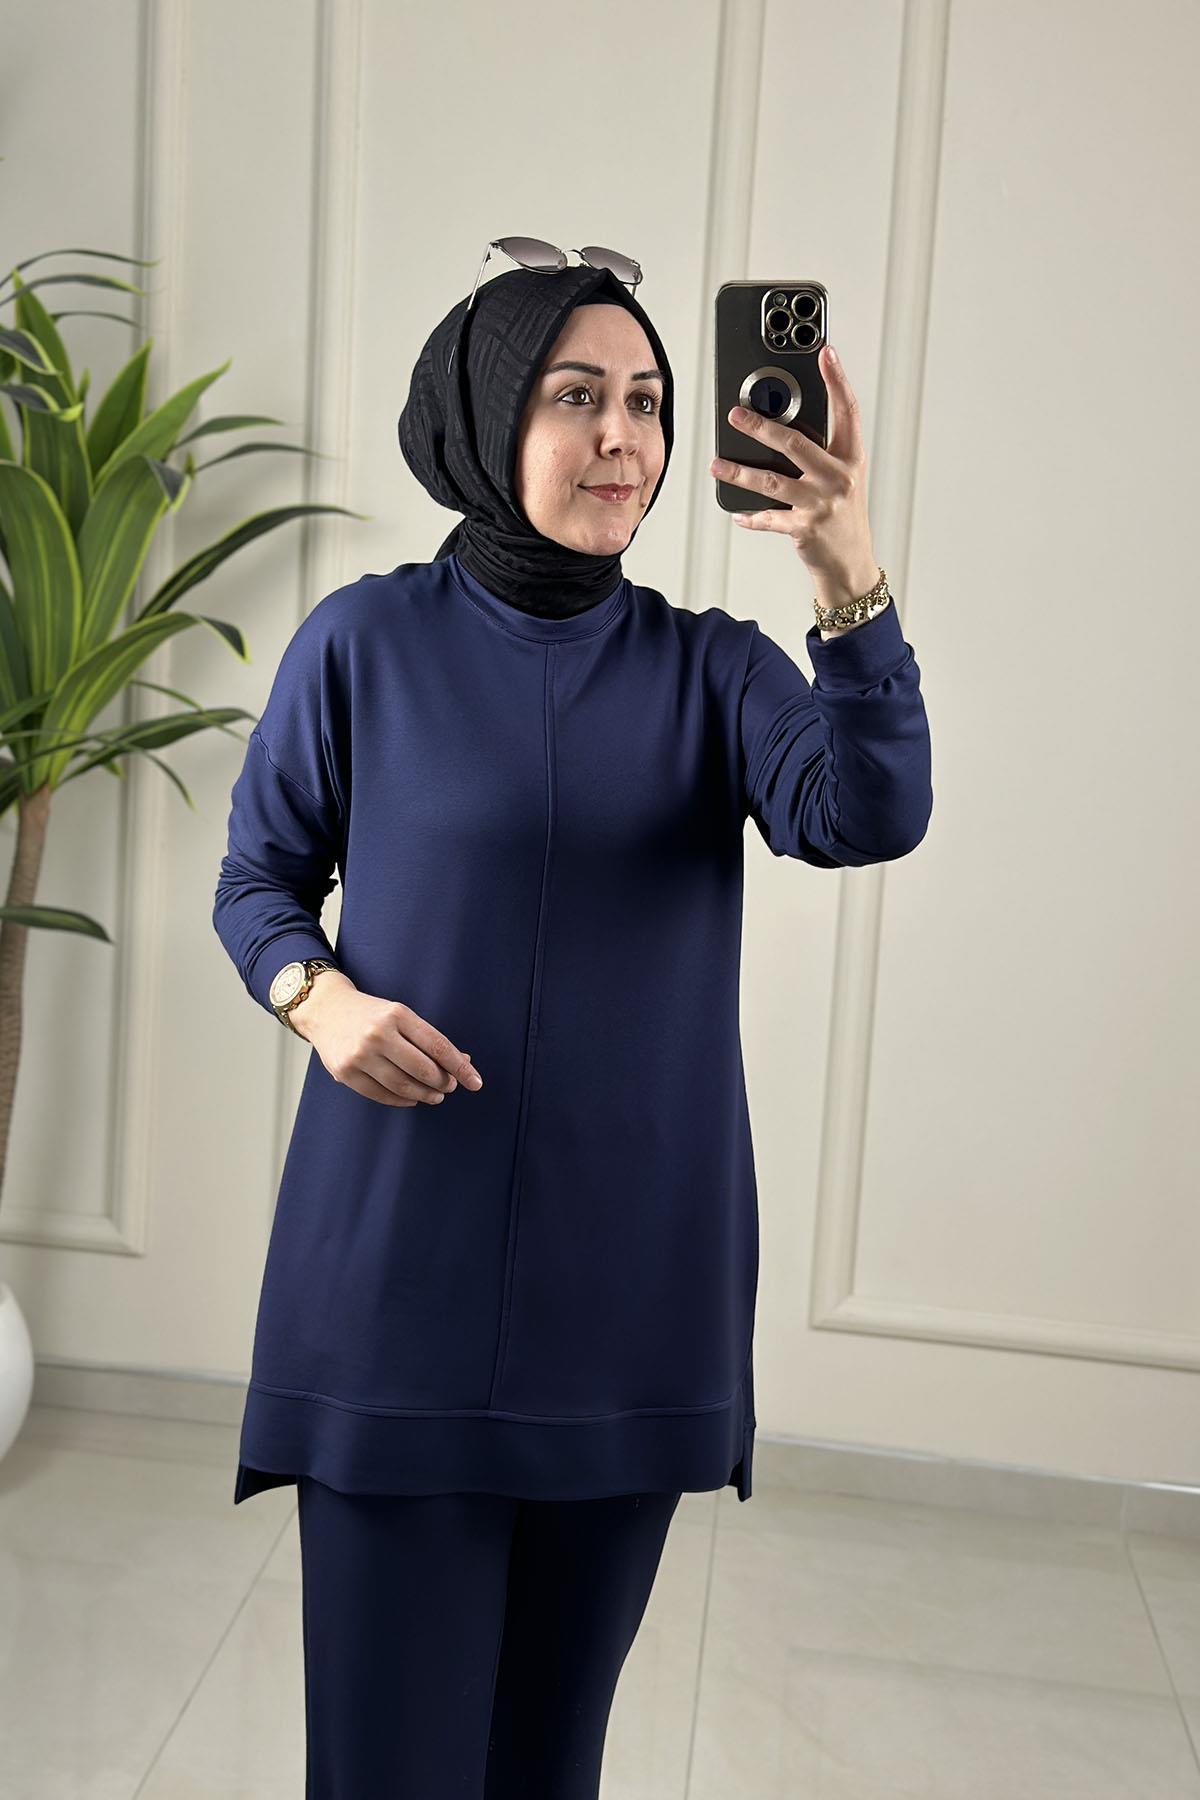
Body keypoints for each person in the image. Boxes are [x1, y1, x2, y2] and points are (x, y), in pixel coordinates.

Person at [213, 258, 932, 1795]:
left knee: (550, 1770)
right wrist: (320, 1000)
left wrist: (844, 569)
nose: (624, 437)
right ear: (488, 417)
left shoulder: (715, 669)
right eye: (577, 396)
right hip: (396, 1292)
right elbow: (258, 880)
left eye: (651, 404)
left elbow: (868, 814)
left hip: (629, 1299)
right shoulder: (362, 643)